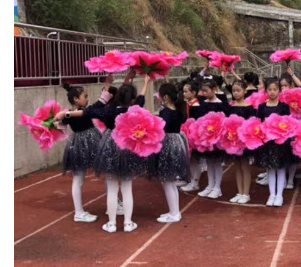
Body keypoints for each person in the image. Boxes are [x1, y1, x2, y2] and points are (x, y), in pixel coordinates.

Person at [55, 74, 146, 233]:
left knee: (111, 184)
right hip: (120, 146)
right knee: (125, 185)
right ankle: (126, 222)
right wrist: (145, 81)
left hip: (107, 145)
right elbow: (139, 99)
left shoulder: (108, 111)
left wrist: (64, 115)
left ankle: (111, 222)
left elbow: (90, 110)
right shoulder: (134, 109)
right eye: (84, 96)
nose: (87, 98)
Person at [145, 83, 191, 223]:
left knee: (167, 181)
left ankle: (174, 213)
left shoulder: (166, 112)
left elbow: (160, 128)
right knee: (170, 181)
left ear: (165, 97)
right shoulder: (177, 110)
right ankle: (174, 211)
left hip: (168, 145)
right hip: (176, 143)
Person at [57, 83, 102, 223]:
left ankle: (80, 211)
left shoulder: (71, 113)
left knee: (83, 177)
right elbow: (60, 125)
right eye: (85, 96)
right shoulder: (77, 112)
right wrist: (51, 122)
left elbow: (61, 125)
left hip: (82, 144)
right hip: (83, 145)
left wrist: (60, 119)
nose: (87, 99)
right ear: (76, 99)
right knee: (79, 178)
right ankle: (78, 212)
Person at [256, 78, 294, 207]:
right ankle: (272, 194)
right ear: (266, 91)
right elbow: (259, 122)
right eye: (269, 89)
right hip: (268, 143)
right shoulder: (262, 107)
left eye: (275, 89)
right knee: (270, 169)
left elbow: (287, 123)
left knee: (281, 168)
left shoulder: (284, 106)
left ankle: (279, 195)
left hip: (281, 142)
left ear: (279, 91)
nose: (272, 92)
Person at [196, 79, 229, 199]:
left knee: (217, 162)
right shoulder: (203, 103)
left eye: (206, 91)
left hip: (217, 137)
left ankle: (217, 187)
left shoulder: (221, 104)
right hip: (206, 137)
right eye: (203, 91)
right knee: (209, 162)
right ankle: (210, 185)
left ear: (214, 89)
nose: (204, 93)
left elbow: (224, 120)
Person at [227, 80, 258, 204]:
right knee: (237, 166)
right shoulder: (230, 107)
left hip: (244, 141)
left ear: (245, 91)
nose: (236, 93)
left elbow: (252, 124)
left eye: (238, 90)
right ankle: (239, 192)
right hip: (233, 141)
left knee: (245, 166)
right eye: (233, 91)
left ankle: (246, 193)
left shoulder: (250, 108)